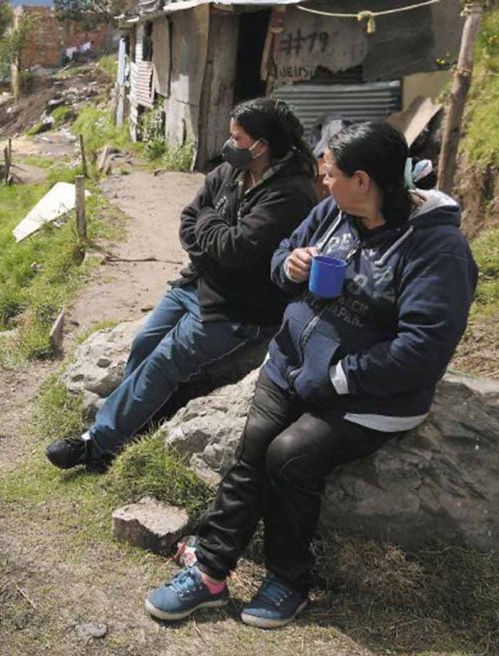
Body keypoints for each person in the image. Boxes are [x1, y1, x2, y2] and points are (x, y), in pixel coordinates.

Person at [144, 121, 478, 629]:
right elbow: (280, 261)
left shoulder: (438, 251)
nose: (323, 183)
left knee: (289, 456)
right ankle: (211, 571)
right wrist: (290, 265)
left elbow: (423, 349)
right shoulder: (334, 212)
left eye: (332, 175)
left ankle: (289, 580)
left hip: (371, 393)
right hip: (292, 366)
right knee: (255, 445)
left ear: (364, 181)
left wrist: (339, 377)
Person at [46, 98, 318, 472]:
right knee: (143, 343)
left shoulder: (291, 193)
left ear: (261, 145)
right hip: (198, 283)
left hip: (240, 307)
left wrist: (210, 228)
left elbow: (235, 248)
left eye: (236, 137)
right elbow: (190, 221)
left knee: (164, 361)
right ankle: (136, 422)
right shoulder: (229, 173)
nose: (229, 144)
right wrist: (213, 235)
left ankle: (97, 443)